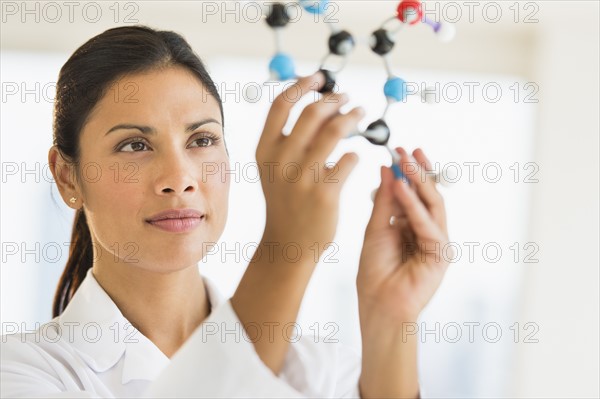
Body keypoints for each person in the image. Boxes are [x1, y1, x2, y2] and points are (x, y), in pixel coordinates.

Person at [0, 25, 451, 398]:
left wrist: (389, 318)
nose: (179, 177)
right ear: (67, 177)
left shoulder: (320, 370)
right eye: (134, 145)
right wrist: (287, 249)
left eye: (201, 140)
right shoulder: (24, 373)